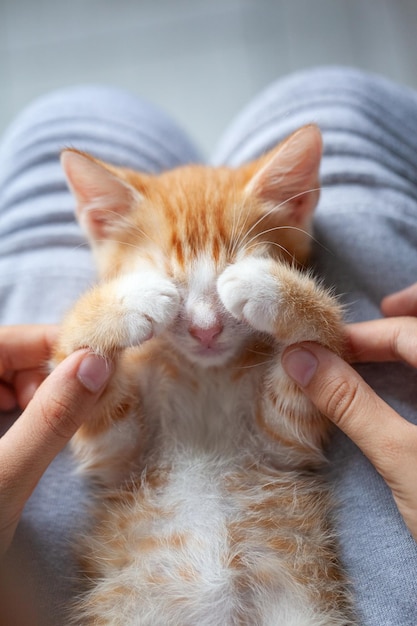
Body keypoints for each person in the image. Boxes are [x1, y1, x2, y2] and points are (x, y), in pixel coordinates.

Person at [0, 66, 417, 625]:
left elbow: (290, 430)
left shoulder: (259, 353)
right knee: (341, 96)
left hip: (245, 597)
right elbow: (104, 427)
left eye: (230, 285)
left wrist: (295, 306)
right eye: (170, 292)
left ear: (296, 211)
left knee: (69, 110)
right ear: (99, 225)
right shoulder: (149, 359)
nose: (204, 326)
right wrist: (101, 320)